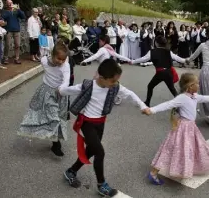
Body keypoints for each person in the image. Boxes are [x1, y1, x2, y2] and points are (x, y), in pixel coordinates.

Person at [58, 59, 147, 197]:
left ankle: (71, 171)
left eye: (117, 81)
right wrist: (60, 91)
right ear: (102, 77)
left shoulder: (115, 87)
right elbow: (70, 89)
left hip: (100, 123)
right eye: (112, 81)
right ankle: (102, 185)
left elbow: (130, 94)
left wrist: (143, 106)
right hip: (86, 124)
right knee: (100, 152)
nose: (115, 84)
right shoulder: (88, 86)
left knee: (91, 151)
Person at [142, 72, 209, 184]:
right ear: (190, 86)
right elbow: (168, 104)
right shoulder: (182, 98)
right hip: (182, 128)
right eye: (197, 83)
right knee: (171, 148)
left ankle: (184, 169)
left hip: (191, 127)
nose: (199, 85)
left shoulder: (195, 97)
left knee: (191, 148)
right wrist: (152, 110)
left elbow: (208, 98)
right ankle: (153, 173)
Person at [17, 41, 70, 157]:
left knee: (59, 119)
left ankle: (54, 139)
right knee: (53, 117)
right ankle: (56, 144)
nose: (61, 62)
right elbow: (44, 59)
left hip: (60, 94)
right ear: (53, 54)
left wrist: (61, 88)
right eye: (59, 58)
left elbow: (66, 80)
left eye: (63, 59)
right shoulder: (44, 60)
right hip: (46, 92)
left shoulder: (65, 66)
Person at [131, 36, 186, 107]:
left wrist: (133, 61)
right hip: (169, 72)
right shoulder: (168, 51)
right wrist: (187, 60)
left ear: (156, 43)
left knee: (150, 86)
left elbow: (143, 59)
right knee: (172, 89)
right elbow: (178, 58)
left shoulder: (152, 51)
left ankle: (147, 102)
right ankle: (181, 104)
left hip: (160, 73)